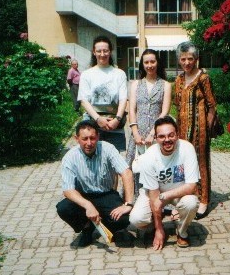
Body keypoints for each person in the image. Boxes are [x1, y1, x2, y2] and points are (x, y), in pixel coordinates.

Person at [56, 120, 134, 248]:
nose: (89, 143)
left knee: (124, 218)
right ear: (77, 139)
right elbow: (68, 190)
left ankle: (110, 227)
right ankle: (87, 228)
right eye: (84, 139)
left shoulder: (108, 148)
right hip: (84, 196)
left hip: (107, 194)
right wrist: (88, 205)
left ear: (97, 136)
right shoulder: (70, 157)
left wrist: (129, 203)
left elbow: (126, 172)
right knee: (63, 208)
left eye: (92, 138)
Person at [129, 116, 200, 249]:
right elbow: (154, 196)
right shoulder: (148, 157)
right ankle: (156, 225)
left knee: (191, 203)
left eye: (171, 135)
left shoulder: (187, 148)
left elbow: (191, 186)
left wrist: (166, 196)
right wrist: (159, 230)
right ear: (156, 138)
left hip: (179, 192)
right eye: (162, 136)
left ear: (177, 135)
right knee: (136, 219)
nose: (167, 140)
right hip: (155, 192)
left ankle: (182, 230)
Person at [174, 41, 216, 220]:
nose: (186, 62)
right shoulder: (179, 79)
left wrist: (207, 127)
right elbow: (177, 104)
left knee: (200, 162)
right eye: (183, 59)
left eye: (190, 59)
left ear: (196, 59)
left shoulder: (203, 78)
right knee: (181, 162)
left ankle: (204, 200)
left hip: (200, 128)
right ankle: (183, 197)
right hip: (182, 128)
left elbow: (212, 105)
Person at [126, 49, 172, 198]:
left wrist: (154, 132)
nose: (150, 65)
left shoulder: (165, 85)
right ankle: (134, 199)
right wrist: (135, 132)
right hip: (138, 133)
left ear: (158, 63)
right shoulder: (135, 85)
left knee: (156, 166)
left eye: (153, 61)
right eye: (146, 62)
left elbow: (164, 111)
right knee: (135, 165)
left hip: (157, 134)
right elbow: (132, 109)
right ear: (142, 64)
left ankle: (157, 199)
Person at [77, 35, 128, 152]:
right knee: (92, 160)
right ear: (94, 52)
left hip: (114, 124)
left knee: (114, 161)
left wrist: (117, 119)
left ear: (110, 52)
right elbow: (83, 100)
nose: (102, 54)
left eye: (105, 50)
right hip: (92, 124)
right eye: (99, 51)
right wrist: (98, 119)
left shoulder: (119, 73)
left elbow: (123, 99)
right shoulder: (87, 74)